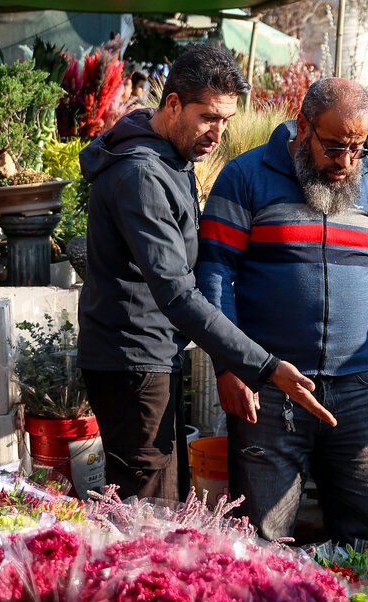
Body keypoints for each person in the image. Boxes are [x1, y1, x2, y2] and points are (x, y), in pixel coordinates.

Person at [78, 43, 333, 502]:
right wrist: (264, 365)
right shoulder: (141, 174)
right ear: (172, 104)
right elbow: (176, 292)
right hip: (132, 361)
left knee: (164, 498)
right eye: (208, 117)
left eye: (226, 121)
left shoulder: (167, 155)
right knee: (150, 509)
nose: (217, 133)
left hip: (151, 356)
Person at [197, 77, 368, 543]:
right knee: (262, 541)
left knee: (361, 538)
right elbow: (214, 277)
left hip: (360, 393)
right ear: (303, 126)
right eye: (333, 148)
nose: (346, 163)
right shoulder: (246, 178)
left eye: (358, 148)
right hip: (267, 394)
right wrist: (231, 367)